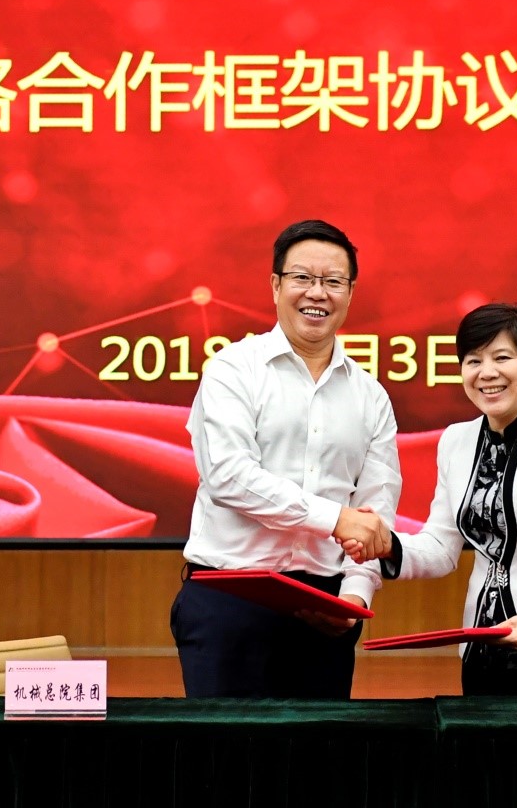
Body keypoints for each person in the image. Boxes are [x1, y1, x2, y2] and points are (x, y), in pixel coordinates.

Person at [343, 303, 517, 696]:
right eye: (473, 360)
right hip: (482, 653)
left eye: (502, 358)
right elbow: (441, 547)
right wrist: (387, 545)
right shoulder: (456, 441)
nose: (486, 372)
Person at [170, 218, 400, 699]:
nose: (317, 293)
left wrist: (354, 597)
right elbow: (228, 477)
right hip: (229, 600)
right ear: (276, 285)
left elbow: (374, 511)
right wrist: (335, 519)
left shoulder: (370, 396)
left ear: (350, 293)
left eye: (333, 281)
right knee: (223, 746)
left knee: (315, 748)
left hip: (324, 611)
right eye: (302, 278)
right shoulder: (233, 369)